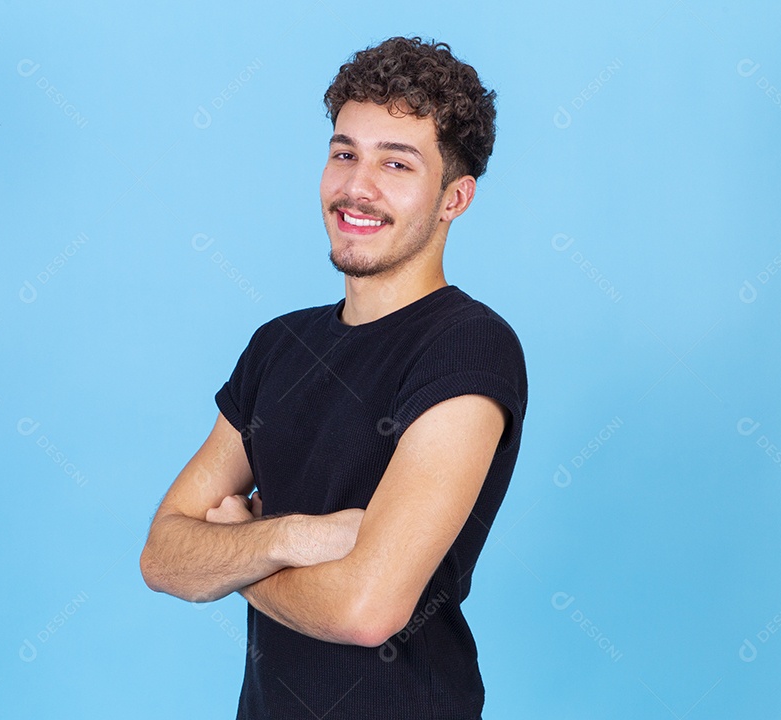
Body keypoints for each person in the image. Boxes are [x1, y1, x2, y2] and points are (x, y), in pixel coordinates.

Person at [141, 35, 528, 720]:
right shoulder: (278, 345)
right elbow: (163, 557)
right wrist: (294, 537)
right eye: (344, 153)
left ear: (453, 199)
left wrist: (236, 559)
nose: (357, 187)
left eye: (397, 164)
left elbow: (367, 609)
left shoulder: (469, 348)